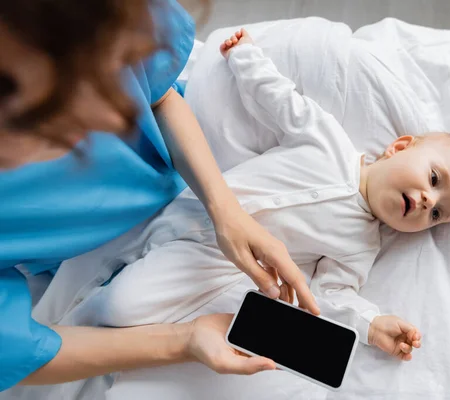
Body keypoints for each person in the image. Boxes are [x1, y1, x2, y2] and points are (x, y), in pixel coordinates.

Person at [67, 29, 450, 363]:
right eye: (434, 178)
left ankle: (73, 332)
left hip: (212, 264)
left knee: (121, 308)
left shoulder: (361, 246)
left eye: (438, 215)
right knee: (91, 233)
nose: (430, 202)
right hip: (195, 200)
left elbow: (335, 296)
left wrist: (372, 323)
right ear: (399, 147)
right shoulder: (329, 141)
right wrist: (245, 56)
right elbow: (282, 102)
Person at [0, 1, 320, 392]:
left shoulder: (98, 16)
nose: (115, 121)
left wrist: (225, 211)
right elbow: (20, 352)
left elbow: (157, 95)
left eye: (108, 74)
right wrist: (182, 340)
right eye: (54, 111)